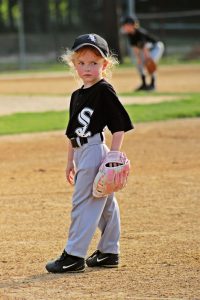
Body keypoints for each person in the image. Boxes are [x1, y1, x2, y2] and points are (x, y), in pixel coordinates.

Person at [45, 33, 134, 273]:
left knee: (83, 203)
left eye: (94, 63)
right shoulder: (77, 95)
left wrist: (113, 157)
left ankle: (74, 255)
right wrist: (69, 162)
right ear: (73, 64)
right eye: (81, 62)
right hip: (81, 150)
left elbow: (119, 126)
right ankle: (109, 252)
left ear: (105, 65)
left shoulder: (104, 90)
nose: (87, 68)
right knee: (105, 203)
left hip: (96, 149)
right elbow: (71, 133)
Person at [121, 16, 165, 91]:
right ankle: (144, 84)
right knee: (139, 65)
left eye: (125, 25)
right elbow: (135, 47)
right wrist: (139, 59)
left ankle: (152, 85)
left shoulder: (140, 33)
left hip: (156, 47)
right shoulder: (130, 34)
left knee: (151, 64)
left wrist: (148, 59)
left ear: (130, 25)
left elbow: (145, 47)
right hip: (145, 49)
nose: (123, 27)